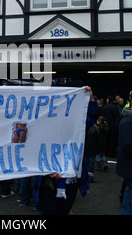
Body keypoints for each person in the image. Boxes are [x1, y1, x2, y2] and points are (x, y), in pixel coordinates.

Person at [36, 86, 97, 215]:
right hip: (51, 180)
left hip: (71, 180)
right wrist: (46, 171)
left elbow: (91, 117)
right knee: (49, 211)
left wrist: (90, 98)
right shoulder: (45, 127)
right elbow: (35, 150)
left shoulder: (76, 125)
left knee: (64, 211)